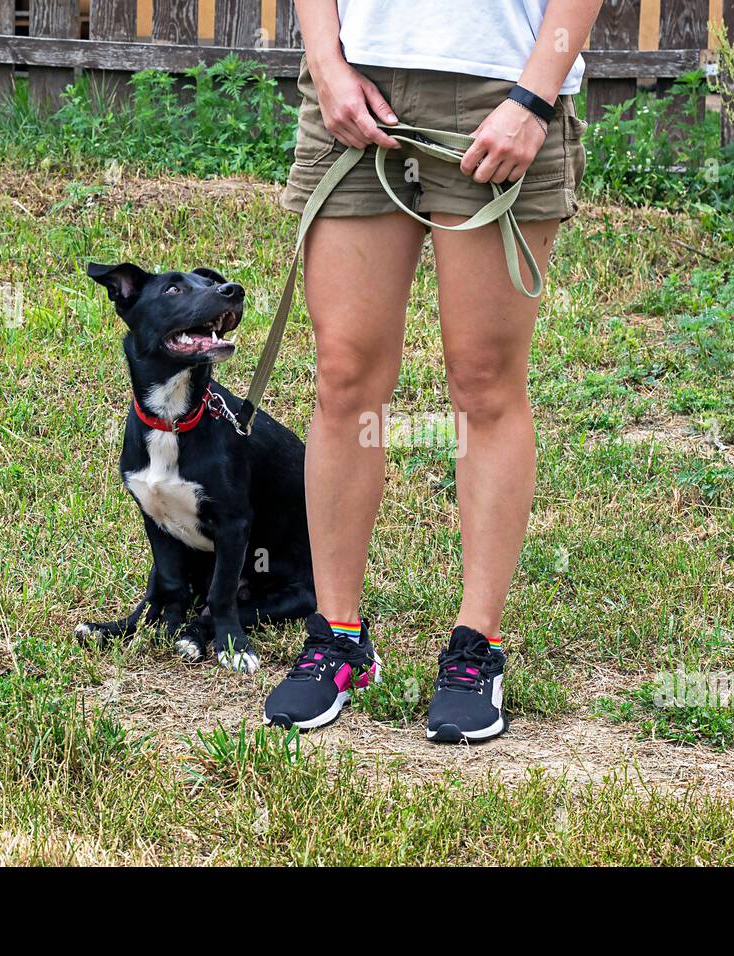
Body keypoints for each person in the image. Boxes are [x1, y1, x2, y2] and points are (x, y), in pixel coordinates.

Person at [263, 0, 601, 742]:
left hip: (500, 87)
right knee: (343, 375)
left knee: (484, 381)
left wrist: (534, 98)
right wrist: (326, 66)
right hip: (357, 82)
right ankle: (337, 637)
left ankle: (477, 648)